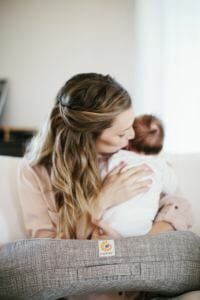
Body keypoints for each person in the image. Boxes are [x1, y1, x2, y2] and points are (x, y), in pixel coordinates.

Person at [18, 73, 192, 300]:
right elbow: (49, 255)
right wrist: (101, 201)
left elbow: (179, 206)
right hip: (84, 283)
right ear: (87, 136)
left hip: (136, 275)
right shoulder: (36, 171)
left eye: (131, 125)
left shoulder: (126, 156)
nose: (131, 136)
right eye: (121, 132)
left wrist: (134, 244)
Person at [101, 114, 180, 238]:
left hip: (108, 225)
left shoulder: (117, 157)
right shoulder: (160, 165)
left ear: (128, 142)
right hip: (140, 230)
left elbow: (101, 179)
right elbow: (172, 188)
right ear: (160, 148)